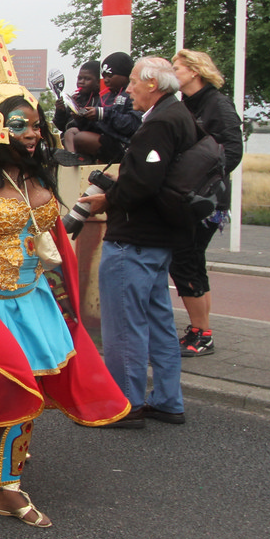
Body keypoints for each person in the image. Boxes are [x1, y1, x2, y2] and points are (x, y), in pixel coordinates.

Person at [0, 19, 130, 523]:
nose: (33, 133)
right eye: (21, 125)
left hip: (32, 299)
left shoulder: (37, 174)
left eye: (36, 125)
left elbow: (51, 240)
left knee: (28, 391)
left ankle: (7, 489)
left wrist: (65, 298)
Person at [80, 56, 198, 428]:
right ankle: (167, 400)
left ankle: (125, 403)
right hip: (159, 237)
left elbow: (144, 182)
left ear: (152, 84)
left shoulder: (159, 123)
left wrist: (108, 198)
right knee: (158, 321)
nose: (128, 89)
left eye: (133, 81)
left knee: (124, 325)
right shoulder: (180, 116)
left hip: (134, 237)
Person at [169, 49, 244, 357]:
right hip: (190, 197)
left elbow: (233, 150)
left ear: (194, 71)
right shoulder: (186, 104)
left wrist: (200, 178)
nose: (172, 73)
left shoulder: (218, 103)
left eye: (176, 68)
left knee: (185, 260)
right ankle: (201, 329)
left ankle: (202, 333)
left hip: (205, 200)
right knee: (191, 260)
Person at [56, 51, 141, 166]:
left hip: (123, 144)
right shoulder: (106, 97)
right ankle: (73, 158)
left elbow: (133, 124)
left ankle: (81, 160)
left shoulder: (133, 95)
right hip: (107, 138)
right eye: (104, 76)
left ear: (126, 75)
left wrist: (103, 114)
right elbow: (96, 127)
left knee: (81, 138)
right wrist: (82, 119)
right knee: (71, 132)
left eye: (110, 76)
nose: (106, 80)